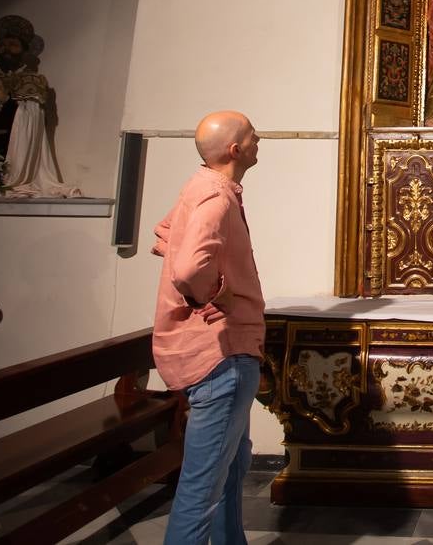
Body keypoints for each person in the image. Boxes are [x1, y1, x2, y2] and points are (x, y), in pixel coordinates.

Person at [152, 111, 265, 545]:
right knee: (201, 492)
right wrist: (216, 296)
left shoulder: (199, 187)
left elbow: (166, 236)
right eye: (253, 136)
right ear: (236, 150)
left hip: (223, 353)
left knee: (231, 471)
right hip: (221, 355)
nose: (259, 141)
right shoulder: (216, 197)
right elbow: (186, 268)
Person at [0, 14, 81, 197]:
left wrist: (4, 99)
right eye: (1, 45)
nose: (5, 49)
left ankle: (14, 179)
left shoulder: (33, 80)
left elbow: (31, 119)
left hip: (16, 150)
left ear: (24, 51)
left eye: (12, 45)